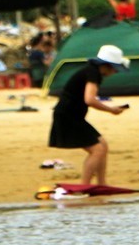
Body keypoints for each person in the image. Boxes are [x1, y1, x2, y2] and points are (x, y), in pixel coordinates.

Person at [47, 44, 129, 185]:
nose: (115, 72)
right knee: (97, 150)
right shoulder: (93, 74)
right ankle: (85, 186)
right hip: (68, 116)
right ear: (108, 65)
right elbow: (89, 99)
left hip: (73, 116)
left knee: (103, 145)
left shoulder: (92, 71)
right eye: (115, 69)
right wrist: (111, 110)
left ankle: (102, 184)